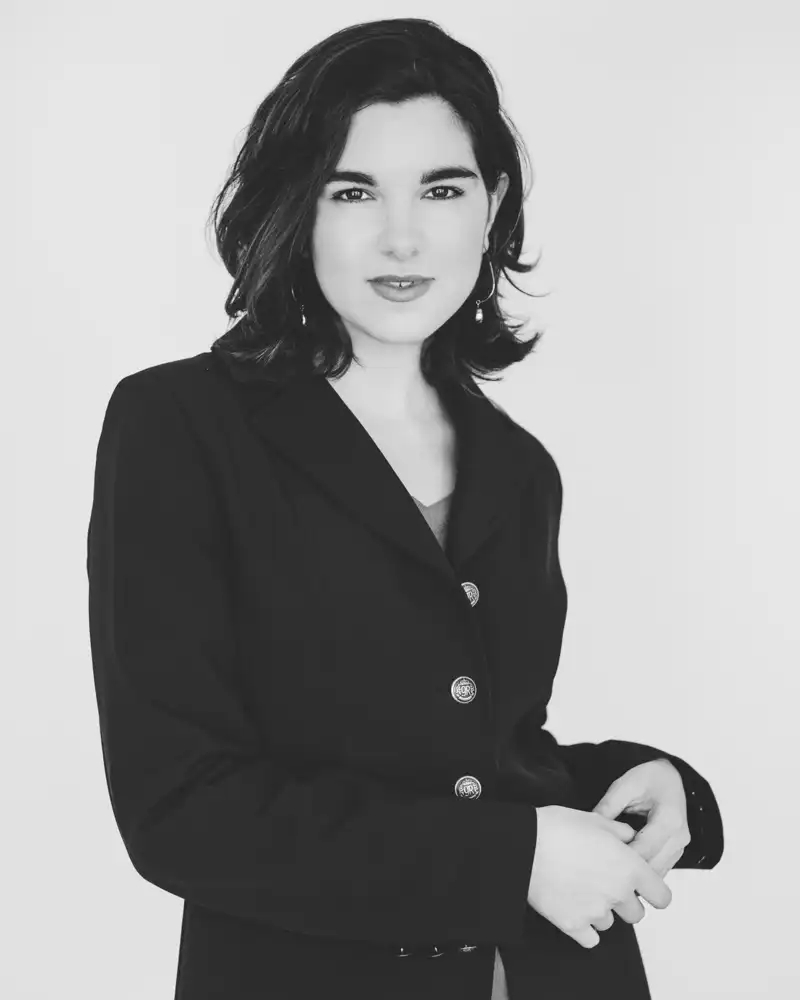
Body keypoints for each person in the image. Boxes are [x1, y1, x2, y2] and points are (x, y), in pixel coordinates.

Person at [86, 17, 724, 1000]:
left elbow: (478, 759)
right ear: (297, 207)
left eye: (441, 189)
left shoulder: (517, 467)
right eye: (353, 191)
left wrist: (654, 781)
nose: (402, 236)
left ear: (491, 204)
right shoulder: (180, 425)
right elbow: (182, 810)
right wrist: (510, 859)